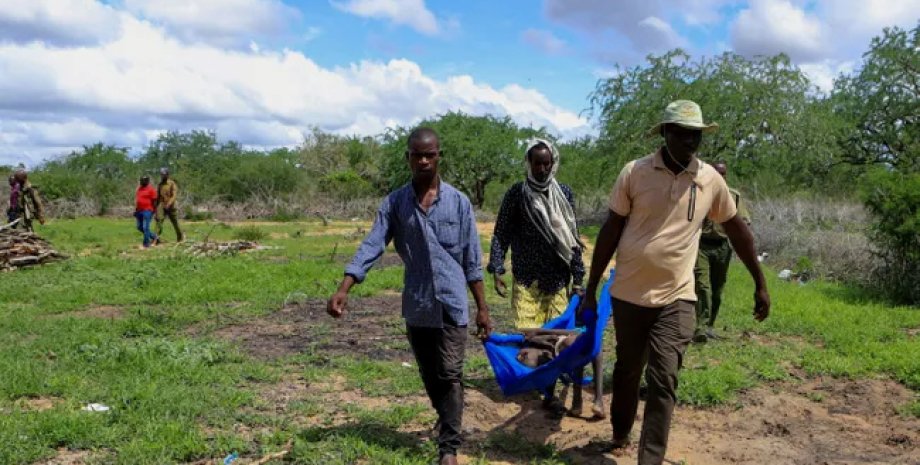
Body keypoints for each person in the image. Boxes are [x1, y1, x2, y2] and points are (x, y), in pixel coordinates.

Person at [580, 100, 770, 465]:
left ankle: (649, 459)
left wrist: (759, 282)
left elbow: (737, 230)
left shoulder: (710, 179)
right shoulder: (634, 173)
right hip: (629, 294)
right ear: (665, 133)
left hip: (678, 297)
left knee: (664, 378)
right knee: (627, 372)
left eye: (695, 135)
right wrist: (591, 290)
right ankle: (620, 431)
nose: (689, 142)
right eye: (682, 134)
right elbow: (611, 230)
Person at [326, 127, 492, 465]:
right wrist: (345, 287)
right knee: (431, 374)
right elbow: (373, 244)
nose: (424, 160)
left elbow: (472, 260)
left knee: (449, 372)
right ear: (408, 158)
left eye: (430, 154)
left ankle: (449, 449)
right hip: (417, 304)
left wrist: (483, 309)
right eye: (417, 154)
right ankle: (446, 416)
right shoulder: (395, 203)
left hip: (452, 303)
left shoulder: (459, 202)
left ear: (439, 156)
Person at [488, 138, 604, 418]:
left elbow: (572, 238)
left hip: (557, 279)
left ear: (553, 163)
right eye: (536, 163)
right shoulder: (517, 194)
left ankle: (549, 389)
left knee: (557, 334)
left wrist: (578, 279)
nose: (541, 168)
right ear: (528, 163)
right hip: (527, 278)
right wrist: (497, 268)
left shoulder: (563, 193)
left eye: (546, 163)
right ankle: (544, 387)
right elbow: (501, 232)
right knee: (532, 334)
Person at [693, 161, 751, 343]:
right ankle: (700, 327)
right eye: (717, 173)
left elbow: (744, 221)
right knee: (703, 286)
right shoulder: (700, 192)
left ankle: (710, 325)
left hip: (722, 246)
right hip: (702, 245)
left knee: (717, 290)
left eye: (723, 174)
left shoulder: (733, 196)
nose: (720, 177)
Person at [155, 167, 183, 242]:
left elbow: (174, 195)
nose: (162, 176)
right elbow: (158, 196)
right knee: (159, 222)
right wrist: (156, 207)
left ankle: (180, 238)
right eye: (161, 175)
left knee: (175, 222)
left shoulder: (172, 183)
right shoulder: (160, 184)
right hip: (161, 205)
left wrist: (169, 203)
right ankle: (156, 239)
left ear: (167, 174)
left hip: (171, 205)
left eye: (163, 174)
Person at [135, 175, 159, 248]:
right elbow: (138, 199)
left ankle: (146, 244)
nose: (142, 182)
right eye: (141, 180)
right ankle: (154, 237)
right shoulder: (139, 189)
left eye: (144, 180)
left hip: (147, 211)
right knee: (139, 227)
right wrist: (136, 209)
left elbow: (155, 201)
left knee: (146, 227)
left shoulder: (151, 190)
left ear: (147, 181)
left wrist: (154, 210)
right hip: (139, 211)